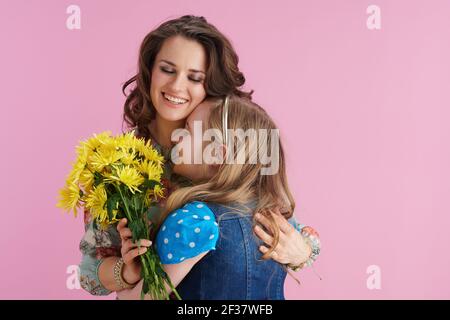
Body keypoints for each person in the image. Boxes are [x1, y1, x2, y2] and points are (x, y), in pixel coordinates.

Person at [79, 15, 320, 296]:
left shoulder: (231, 136)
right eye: (167, 70)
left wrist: (302, 252)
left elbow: (276, 216)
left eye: (195, 77)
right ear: (149, 71)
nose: (177, 86)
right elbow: (89, 274)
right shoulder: (114, 163)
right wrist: (127, 271)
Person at [117, 95, 318, 300]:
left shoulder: (194, 220)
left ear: (216, 154)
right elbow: (311, 243)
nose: (176, 136)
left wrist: (123, 289)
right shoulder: (279, 218)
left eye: (186, 130)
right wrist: (307, 252)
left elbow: (144, 297)